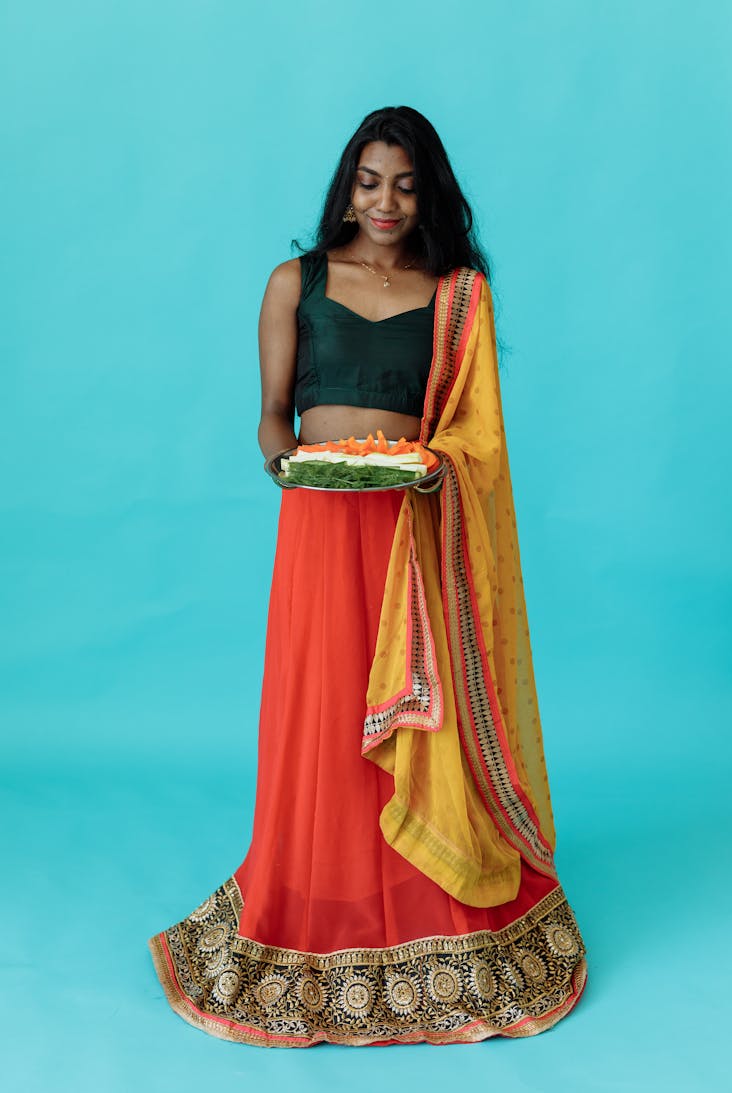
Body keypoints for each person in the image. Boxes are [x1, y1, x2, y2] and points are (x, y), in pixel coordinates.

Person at [149, 106, 587, 1046]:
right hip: (319, 525)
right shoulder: (294, 283)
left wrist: (430, 470)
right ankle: (320, 899)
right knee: (323, 714)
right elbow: (272, 416)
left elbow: (476, 436)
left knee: (416, 716)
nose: (385, 201)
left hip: (413, 525)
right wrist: (290, 466)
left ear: (428, 192)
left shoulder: (456, 293)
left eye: (405, 183)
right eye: (369, 180)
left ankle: (426, 900)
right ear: (346, 184)